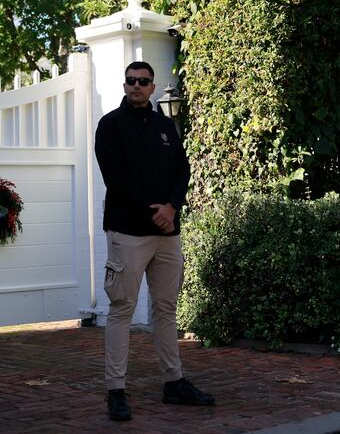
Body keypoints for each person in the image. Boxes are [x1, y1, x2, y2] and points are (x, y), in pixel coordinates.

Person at [94, 61, 215, 422]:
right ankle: (116, 390)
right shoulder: (110, 126)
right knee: (122, 310)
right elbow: (116, 180)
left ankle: (173, 383)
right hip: (129, 233)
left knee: (166, 309)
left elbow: (183, 169)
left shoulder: (165, 126)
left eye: (143, 82)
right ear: (125, 84)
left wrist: (173, 207)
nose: (136, 86)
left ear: (152, 86)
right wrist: (154, 213)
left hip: (167, 235)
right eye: (130, 81)